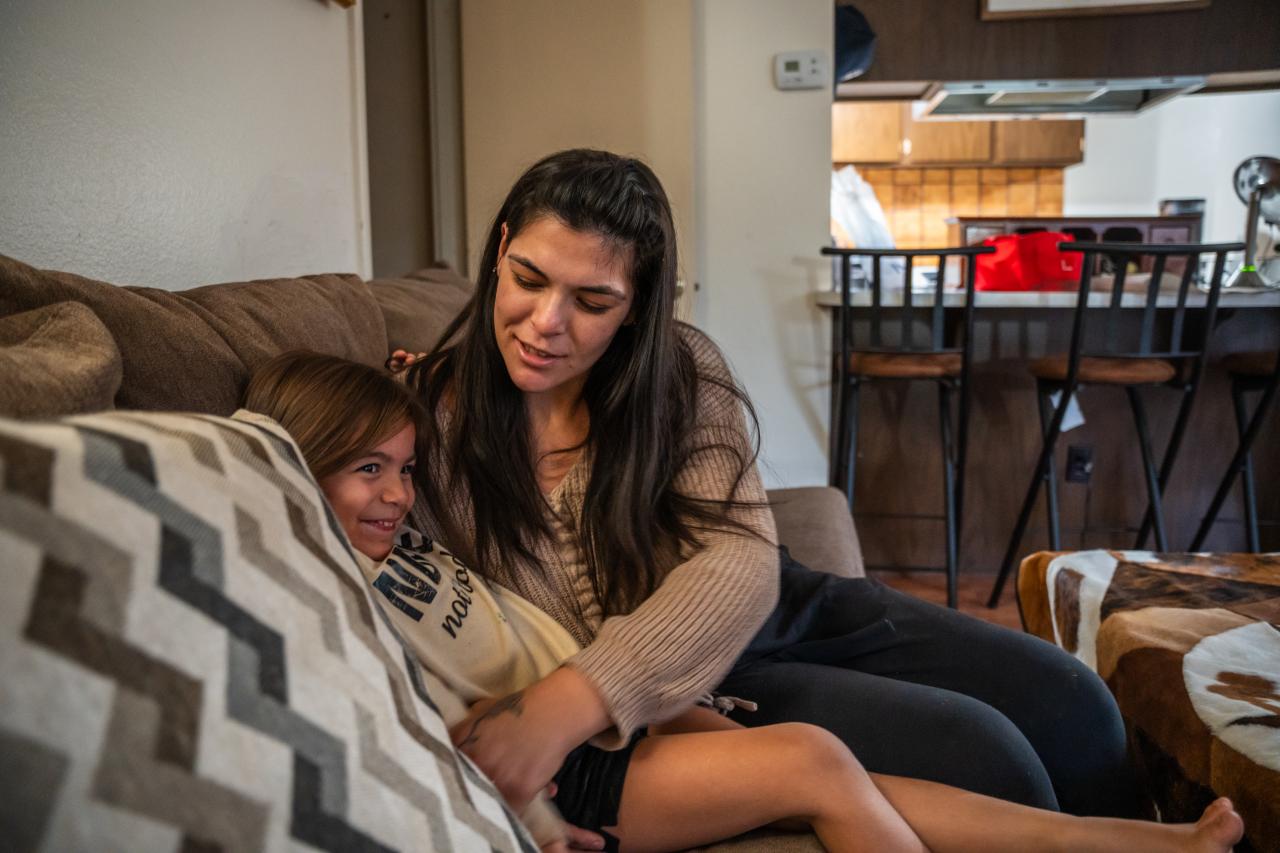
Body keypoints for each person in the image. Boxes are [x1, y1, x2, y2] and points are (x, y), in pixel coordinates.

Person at [242, 349, 1243, 853]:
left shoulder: (406, 528)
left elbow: (527, 624)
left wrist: (662, 700)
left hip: (616, 699)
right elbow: (418, 735)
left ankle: (1139, 839)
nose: (395, 492)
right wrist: (542, 827)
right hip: (571, 766)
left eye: (403, 469)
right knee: (849, 759)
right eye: (365, 470)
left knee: (1050, 700)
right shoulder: (331, 583)